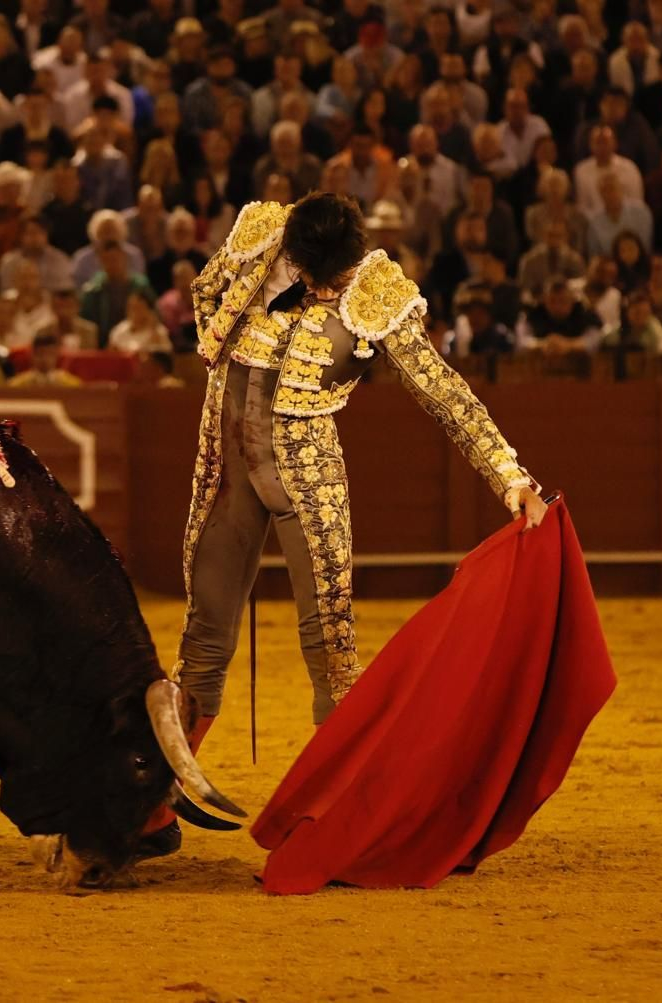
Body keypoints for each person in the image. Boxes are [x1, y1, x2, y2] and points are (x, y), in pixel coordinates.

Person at [143, 193, 545, 858]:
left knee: (331, 651)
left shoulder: (379, 291)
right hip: (230, 471)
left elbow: (445, 393)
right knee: (204, 631)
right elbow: (206, 296)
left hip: (308, 481)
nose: (331, 289)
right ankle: (155, 804)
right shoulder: (259, 234)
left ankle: (348, 818)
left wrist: (511, 477)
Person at [8, 332, 82, 387]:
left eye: (49, 354)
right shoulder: (16, 385)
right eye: (40, 354)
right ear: (32, 355)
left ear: (56, 355)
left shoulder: (72, 385)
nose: (45, 358)